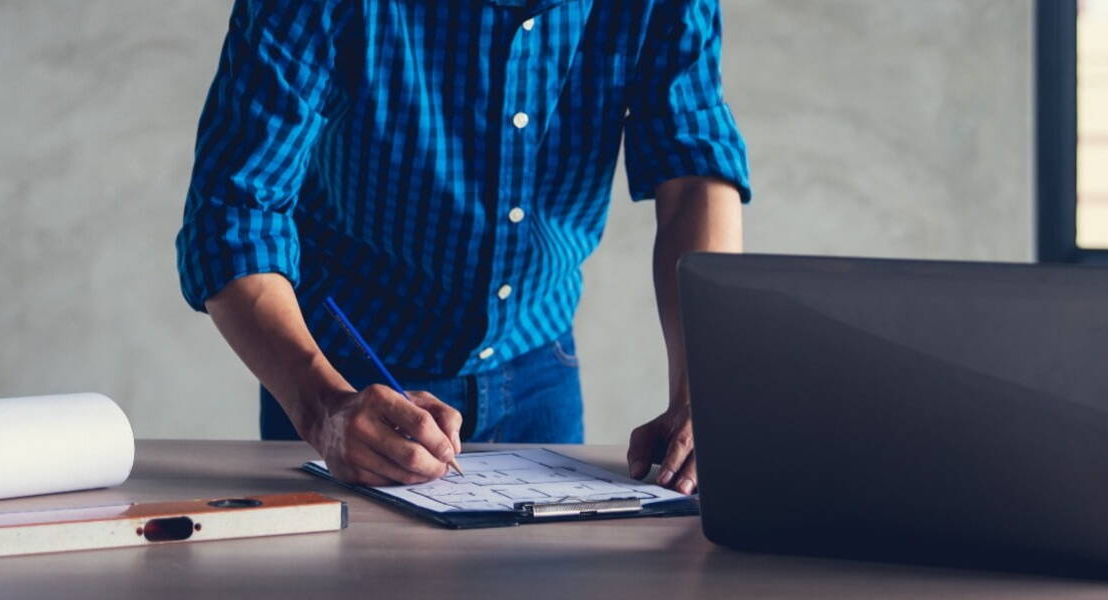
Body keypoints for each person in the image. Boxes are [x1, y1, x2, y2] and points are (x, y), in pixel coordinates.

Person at [175, 0, 748, 495]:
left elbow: (695, 171)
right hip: (346, 371)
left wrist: (706, 389)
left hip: (537, 366)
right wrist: (322, 408)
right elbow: (233, 211)